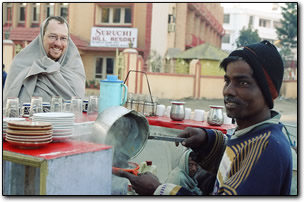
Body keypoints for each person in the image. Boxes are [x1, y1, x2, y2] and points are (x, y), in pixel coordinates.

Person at [114, 40, 293, 195]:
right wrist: (206, 140)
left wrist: (158, 189)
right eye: (227, 81)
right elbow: (233, 159)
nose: (228, 91)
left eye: (243, 83)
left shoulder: (267, 150)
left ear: (268, 92)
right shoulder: (249, 133)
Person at [3, 16, 85, 106]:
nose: (58, 43)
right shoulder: (20, 65)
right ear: (42, 37)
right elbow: (8, 106)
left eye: (63, 38)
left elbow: (77, 107)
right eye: (53, 36)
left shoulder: (74, 69)